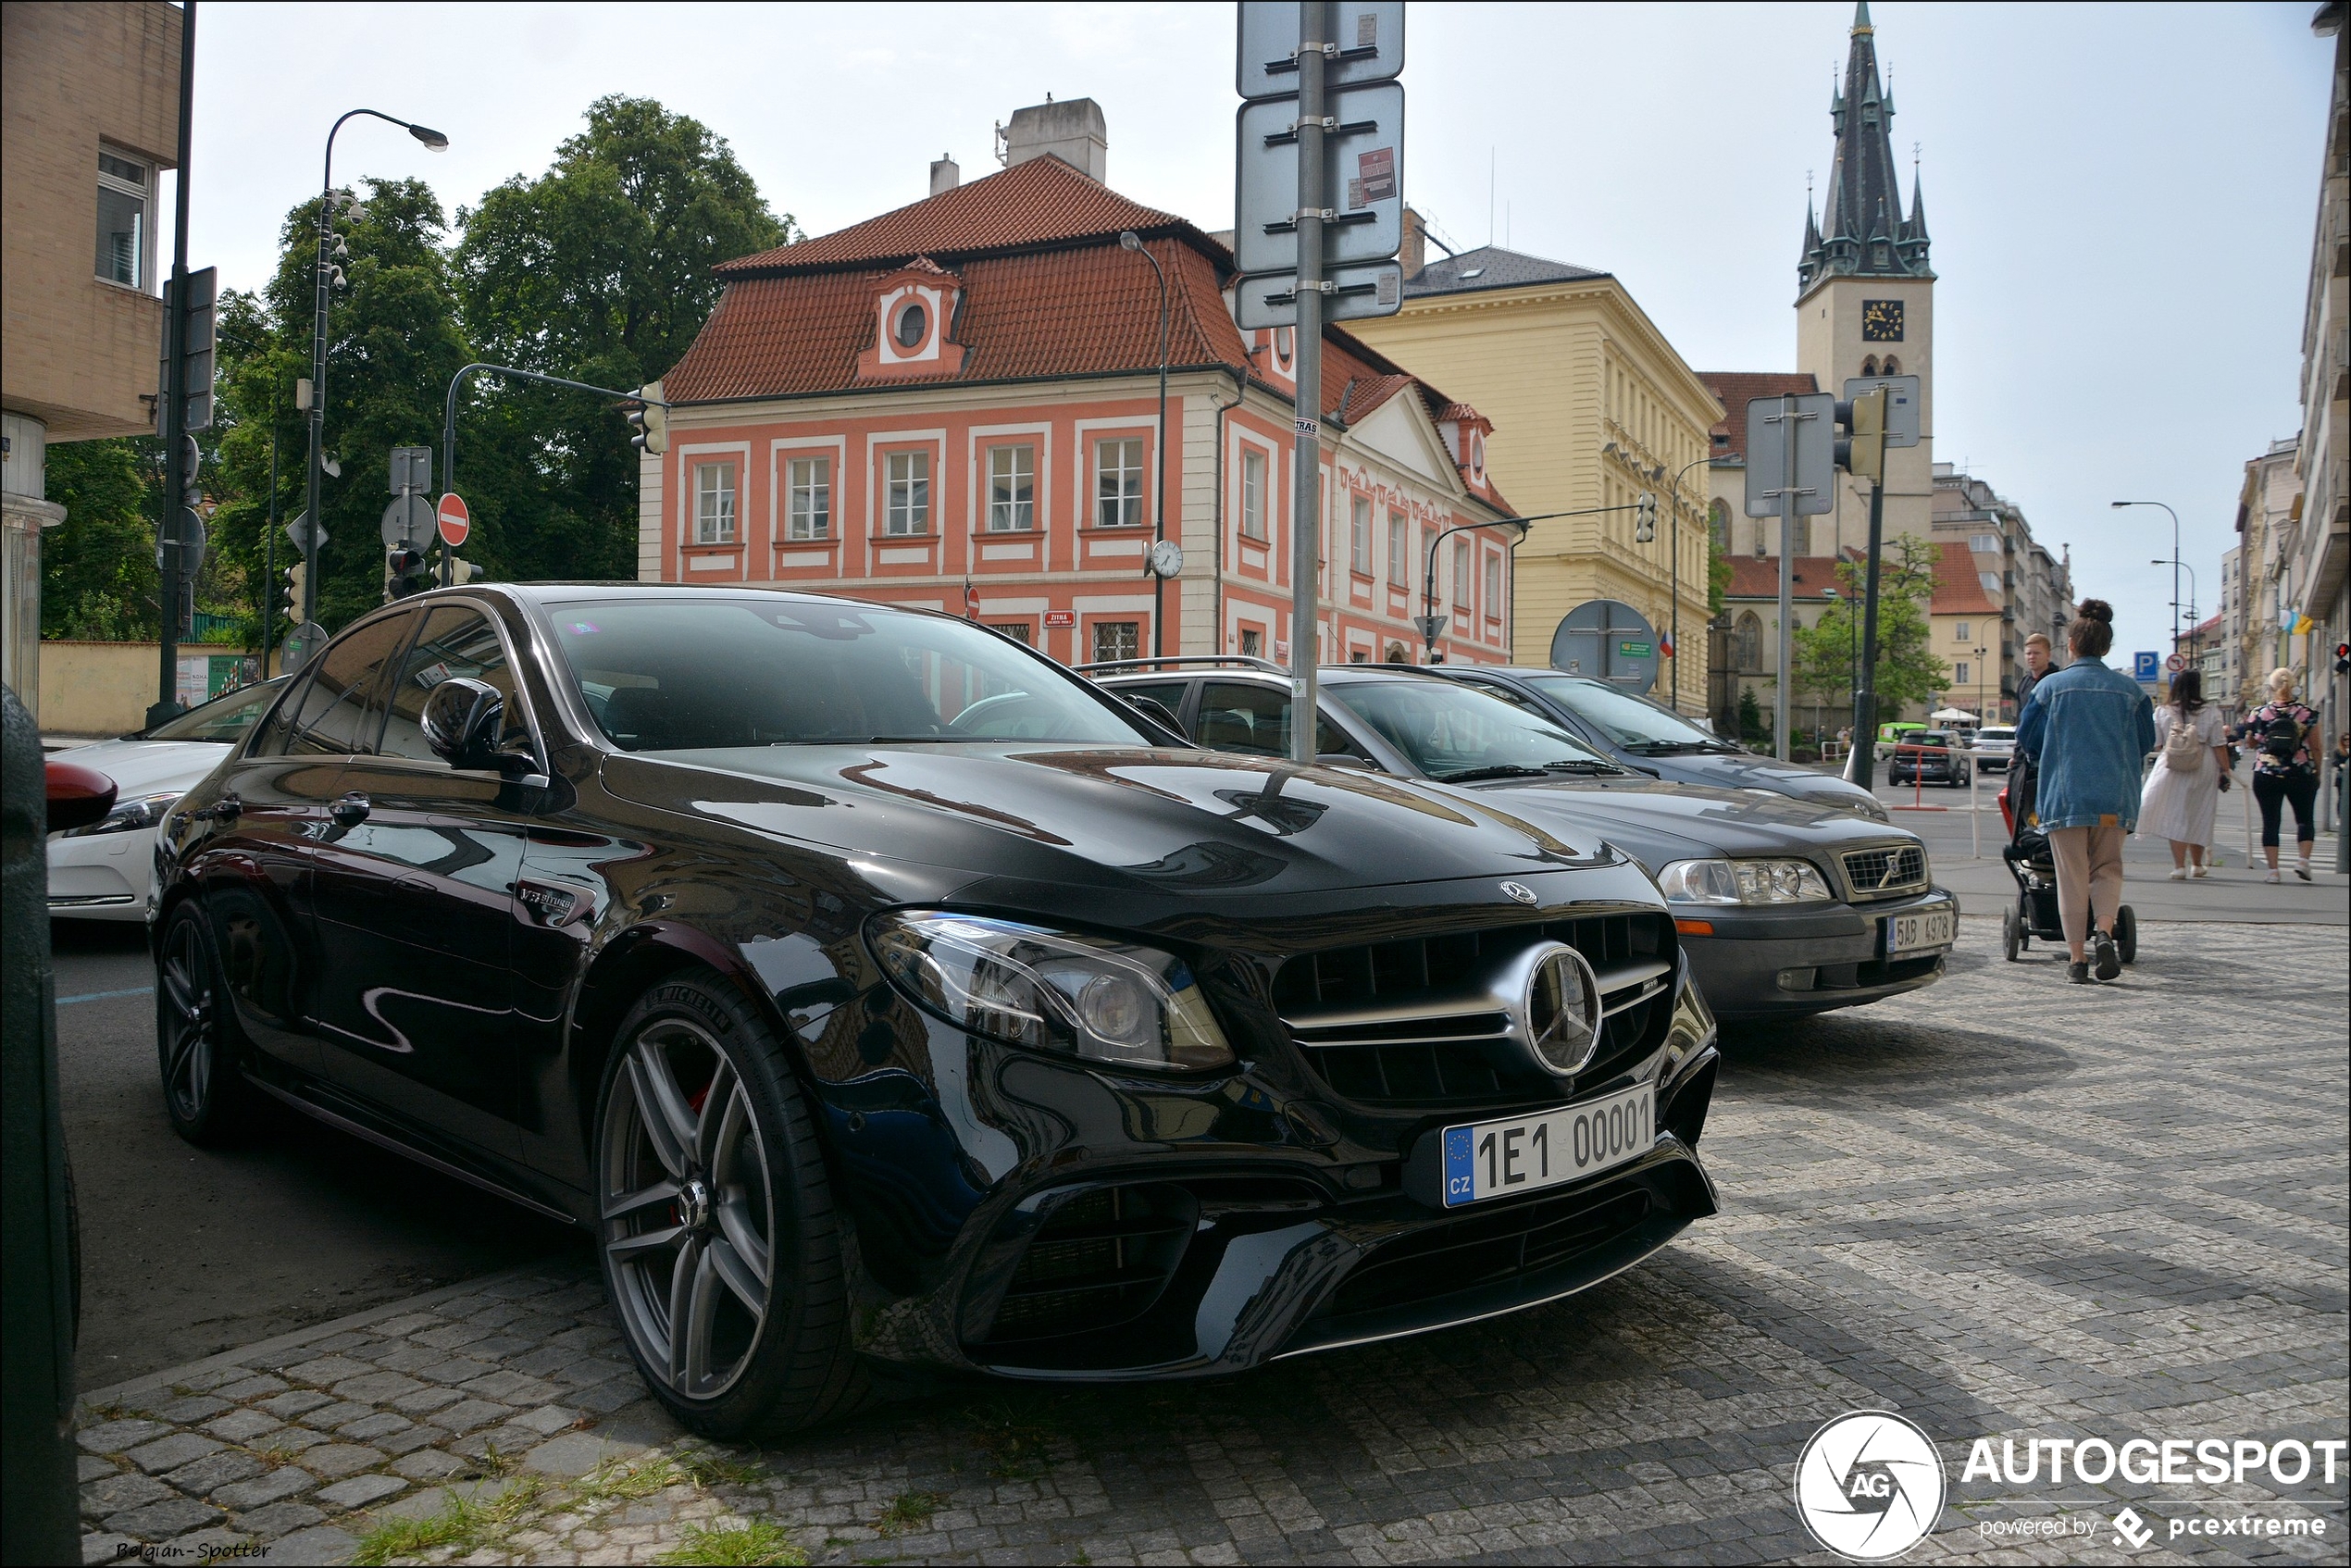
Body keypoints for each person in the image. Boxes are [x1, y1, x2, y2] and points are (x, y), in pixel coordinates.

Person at [2015, 601, 2156, 983]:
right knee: (2107, 869)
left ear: (2071, 646)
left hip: (2066, 793)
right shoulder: (2132, 692)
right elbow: (2146, 741)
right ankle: (2105, 932)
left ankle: (2077, 959)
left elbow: (2028, 739)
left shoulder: (2049, 688)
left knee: (2071, 875)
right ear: (2106, 648)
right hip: (2115, 794)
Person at [2137, 669, 2231, 878]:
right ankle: (2197, 864)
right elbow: (2219, 744)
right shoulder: (2211, 711)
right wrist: (2225, 769)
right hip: (2203, 761)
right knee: (2200, 811)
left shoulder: (2162, 711)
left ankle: (2179, 866)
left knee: (2175, 813)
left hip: (2173, 762)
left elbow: (2158, 743)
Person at [2245, 668, 2323, 882]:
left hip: (2266, 773)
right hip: (2300, 772)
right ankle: (2303, 861)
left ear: (2270, 688)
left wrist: (2256, 740)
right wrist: (2318, 772)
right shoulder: (2307, 713)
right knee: (2305, 818)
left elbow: (2251, 742)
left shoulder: (2259, 713)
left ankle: (2273, 871)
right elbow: (2316, 746)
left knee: (2270, 821)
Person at [2007, 632, 2057, 837]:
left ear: (2048, 655)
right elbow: (2022, 723)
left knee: (2042, 803)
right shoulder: (2025, 683)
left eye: (2037, 653)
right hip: (2024, 753)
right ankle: (2023, 840)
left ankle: (2042, 842)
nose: (2031, 657)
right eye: (2028, 653)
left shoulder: (2054, 681)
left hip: (2048, 753)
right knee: (2015, 797)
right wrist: (2016, 754)